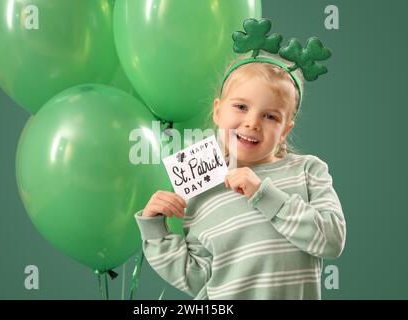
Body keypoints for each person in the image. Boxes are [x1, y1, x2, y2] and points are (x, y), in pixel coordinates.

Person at [134, 18, 346, 299]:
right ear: (218, 111)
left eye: (270, 116)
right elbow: (198, 279)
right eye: (241, 107)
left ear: (285, 130)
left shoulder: (308, 170)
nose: (252, 123)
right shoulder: (200, 181)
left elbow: (331, 240)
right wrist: (154, 230)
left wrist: (262, 193)